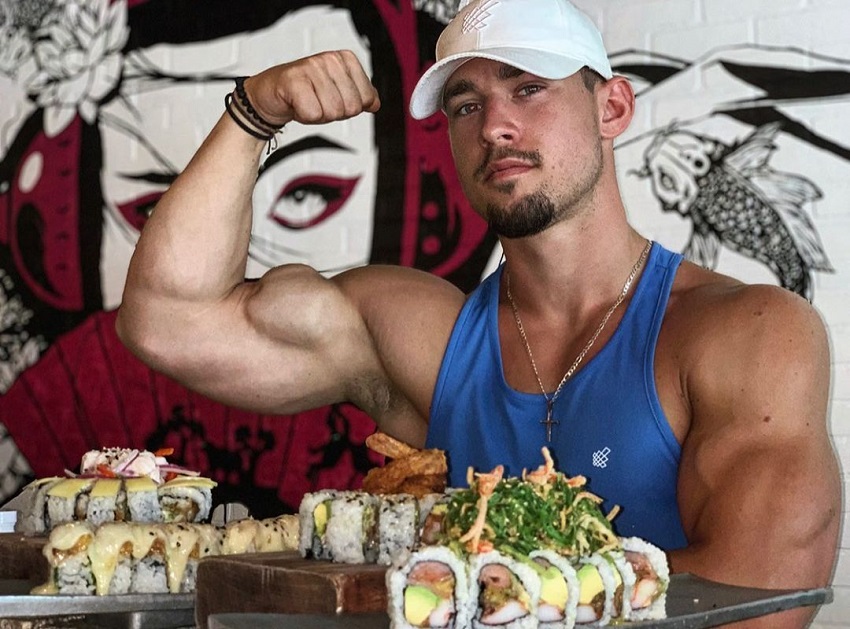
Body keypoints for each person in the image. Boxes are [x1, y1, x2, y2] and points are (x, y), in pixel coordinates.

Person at [117, 0, 840, 626]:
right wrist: (254, 112)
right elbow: (166, 319)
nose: (495, 124)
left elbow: (758, 604)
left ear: (611, 107)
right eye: (467, 104)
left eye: (529, 89)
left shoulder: (743, 331)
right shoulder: (424, 337)